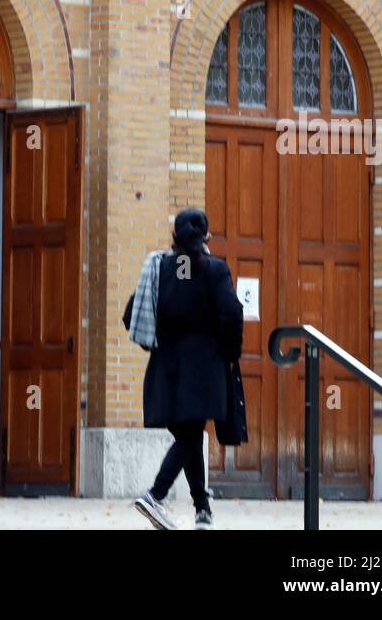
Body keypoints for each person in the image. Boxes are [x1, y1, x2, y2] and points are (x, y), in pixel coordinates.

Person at [126, 207, 243, 531]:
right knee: (191, 435)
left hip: (166, 366)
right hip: (203, 366)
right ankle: (155, 495)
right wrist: (230, 352)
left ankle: (202, 510)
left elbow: (131, 313)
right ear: (206, 236)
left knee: (189, 435)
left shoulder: (160, 268)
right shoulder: (214, 270)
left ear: (174, 236)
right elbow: (232, 313)